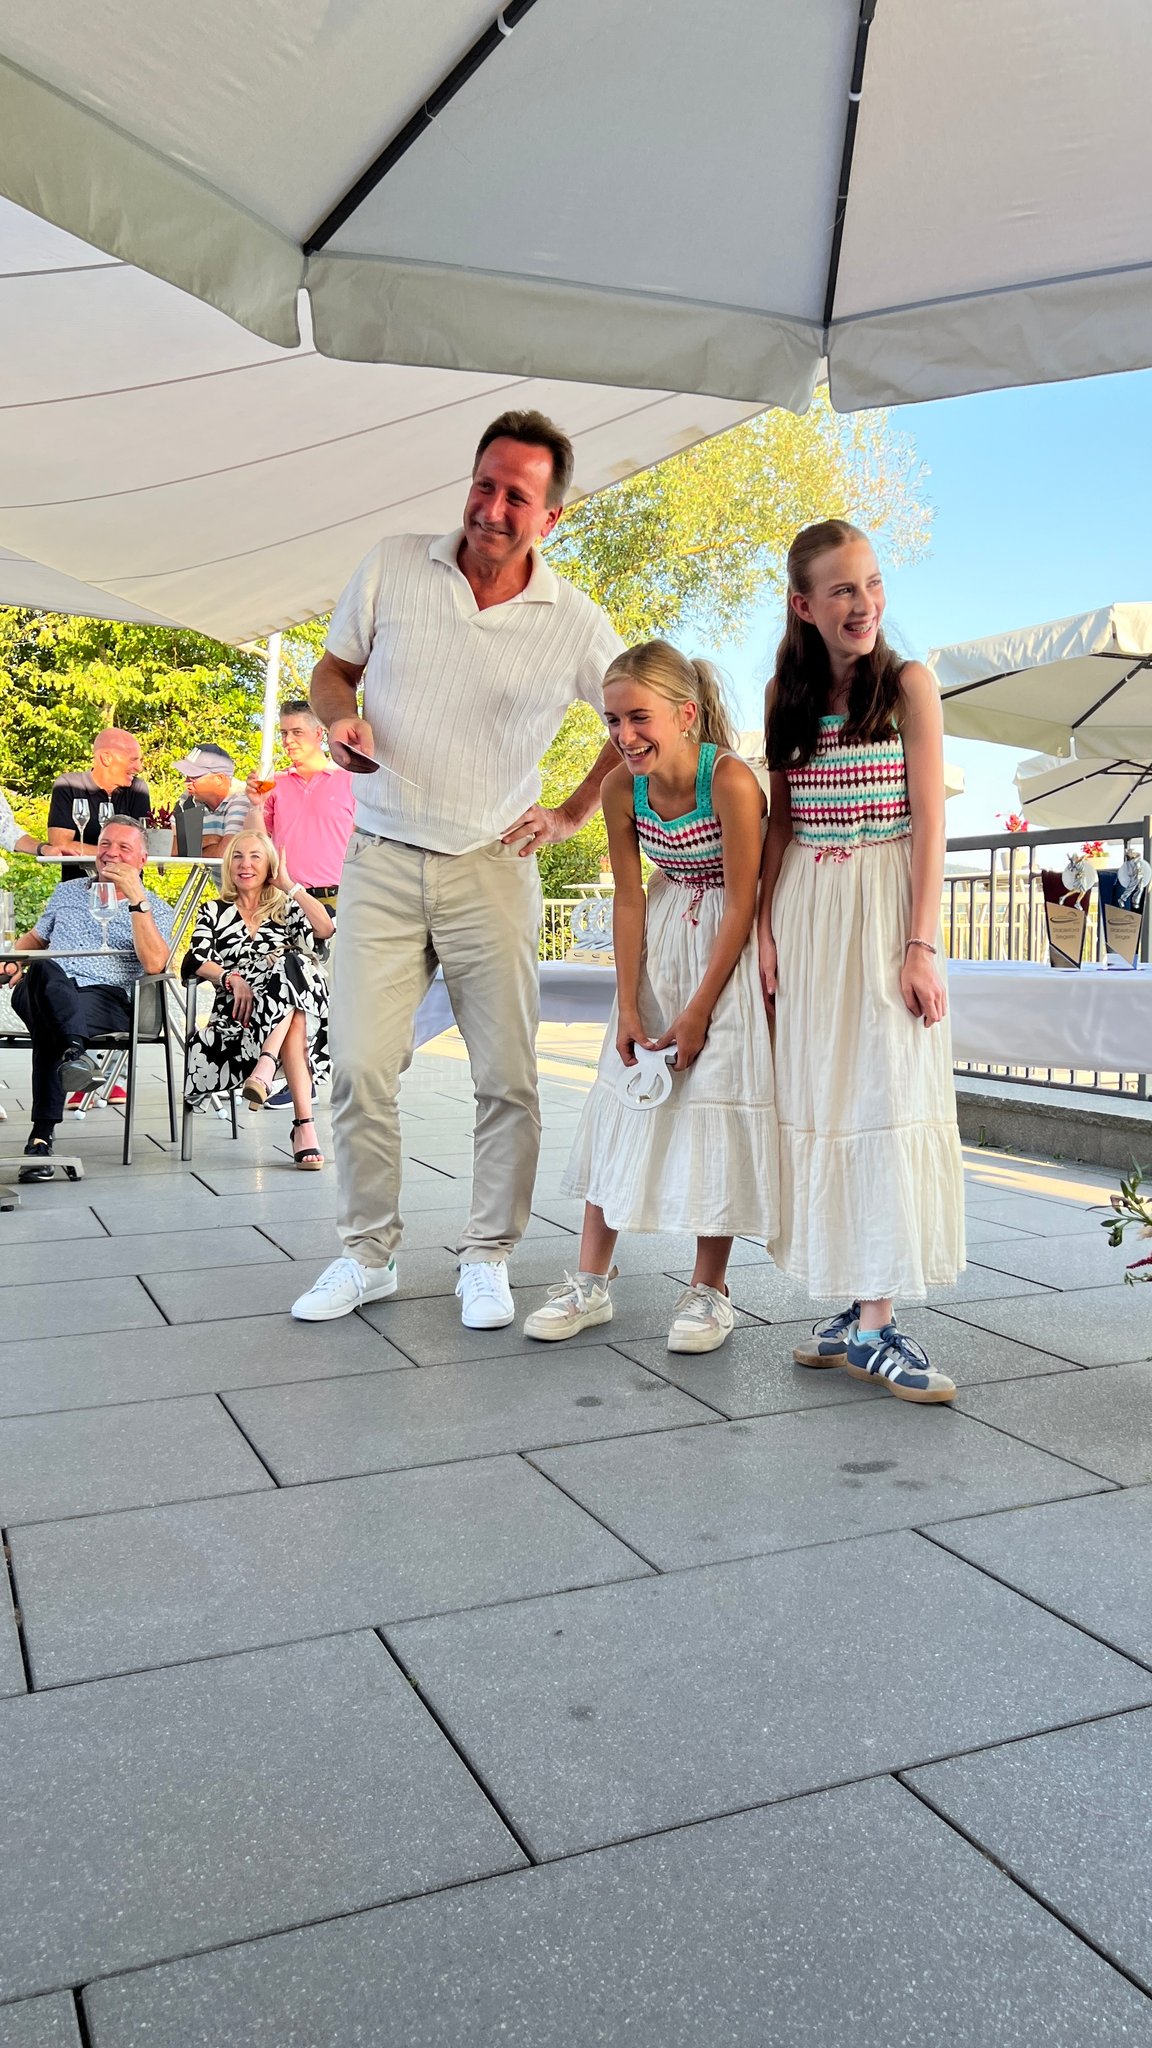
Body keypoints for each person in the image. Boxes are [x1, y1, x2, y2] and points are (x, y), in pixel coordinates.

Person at [290, 408, 624, 1327]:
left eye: (518, 496)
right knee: (358, 1067)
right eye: (485, 484)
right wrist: (339, 719)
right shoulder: (395, 564)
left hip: (493, 866)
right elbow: (332, 671)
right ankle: (368, 1255)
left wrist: (574, 809)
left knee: (508, 1078)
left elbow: (636, 714)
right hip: (382, 857)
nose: (493, 508)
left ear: (550, 516)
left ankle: (488, 1255)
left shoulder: (575, 621)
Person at [758, 520, 965, 1404]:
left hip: (885, 906)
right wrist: (764, 928)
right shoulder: (785, 692)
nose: (865, 602)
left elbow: (931, 822)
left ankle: (876, 1322)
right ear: (804, 605)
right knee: (829, 1095)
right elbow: (780, 822)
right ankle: (858, 1306)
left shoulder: (909, 684)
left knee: (886, 1092)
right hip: (808, 906)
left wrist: (921, 945)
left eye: (872, 582)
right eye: (843, 588)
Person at [524, 642, 777, 1354]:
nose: (625, 735)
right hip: (663, 937)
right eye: (613, 720)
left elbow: (743, 900)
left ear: (685, 714)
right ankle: (590, 1280)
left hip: (727, 948)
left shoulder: (729, 780)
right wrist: (629, 1002)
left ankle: (709, 1288)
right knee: (623, 1091)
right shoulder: (619, 789)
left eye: (639, 718)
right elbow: (630, 897)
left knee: (715, 1099)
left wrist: (699, 1011)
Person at [0, 815, 173, 1178]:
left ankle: (43, 1134)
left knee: (51, 1021)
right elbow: (36, 940)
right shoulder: (68, 892)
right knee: (44, 969)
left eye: (123, 847)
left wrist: (136, 901)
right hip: (44, 986)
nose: (111, 853)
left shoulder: (156, 907)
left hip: (104, 998)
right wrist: (13, 959)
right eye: (105, 844)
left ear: (142, 859)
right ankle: (75, 1054)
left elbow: (155, 963)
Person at [182, 829, 334, 1167]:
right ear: (228, 865)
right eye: (237, 856)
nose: (245, 864)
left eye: (255, 857)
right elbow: (195, 958)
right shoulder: (213, 910)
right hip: (240, 1015)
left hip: (284, 1011)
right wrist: (231, 978)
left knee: (292, 964)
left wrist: (290, 885)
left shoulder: (286, 908)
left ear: (270, 866)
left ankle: (266, 1066)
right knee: (296, 1010)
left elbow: (325, 930)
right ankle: (304, 1128)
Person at [245, 701, 355, 1110]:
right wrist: (254, 805)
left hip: (340, 900)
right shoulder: (275, 785)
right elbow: (257, 844)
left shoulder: (349, 781)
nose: (288, 741)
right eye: (284, 733)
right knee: (296, 987)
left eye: (296, 732)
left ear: (319, 734)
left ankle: (339, 1077)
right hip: (286, 902)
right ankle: (298, 1079)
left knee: (339, 994)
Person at [46, 730, 149, 878]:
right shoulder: (69, 786)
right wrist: (119, 854)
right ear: (106, 758)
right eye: (133, 760)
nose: (139, 768)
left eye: (140, 760)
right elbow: (60, 844)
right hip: (79, 886)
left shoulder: (137, 789)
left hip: (126, 886)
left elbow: (143, 847)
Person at [171, 746, 251, 854]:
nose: (186, 782)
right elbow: (166, 847)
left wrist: (189, 849)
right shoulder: (188, 798)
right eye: (187, 776)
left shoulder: (242, 798)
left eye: (194, 777)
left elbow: (226, 854)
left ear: (219, 779)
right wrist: (208, 839)